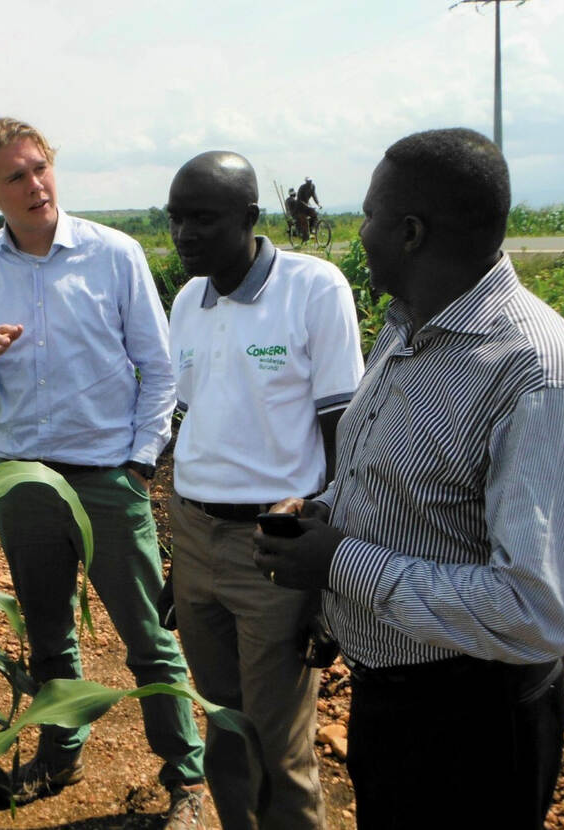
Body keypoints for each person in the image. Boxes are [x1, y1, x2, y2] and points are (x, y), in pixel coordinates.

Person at [253, 128, 564, 830]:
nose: (360, 232)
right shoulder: (408, 327)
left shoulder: (538, 377)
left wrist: (339, 562)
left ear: (411, 233)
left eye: (369, 215)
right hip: (392, 697)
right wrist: (326, 512)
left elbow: (540, 609)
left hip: (472, 722)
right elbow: (401, 487)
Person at [0, 118, 208, 829]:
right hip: (23, 481)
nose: (35, 185)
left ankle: (186, 778)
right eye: (16, 176)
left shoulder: (112, 254)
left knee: (148, 639)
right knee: (50, 636)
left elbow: (159, 369)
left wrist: (139, 463)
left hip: (106, 477)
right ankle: (61, 754)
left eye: (40, 168)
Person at [164, 151, 364, 829]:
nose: (184, 234)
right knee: (223, 726)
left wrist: (328, 572)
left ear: (249, 217)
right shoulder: (187, 301)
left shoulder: (314, 289)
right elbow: (193, 420)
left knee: (279, 746)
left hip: (273, 547)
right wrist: (178, 556)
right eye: (176, 218)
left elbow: (343, 432)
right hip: (195, 536)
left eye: (202, 218)